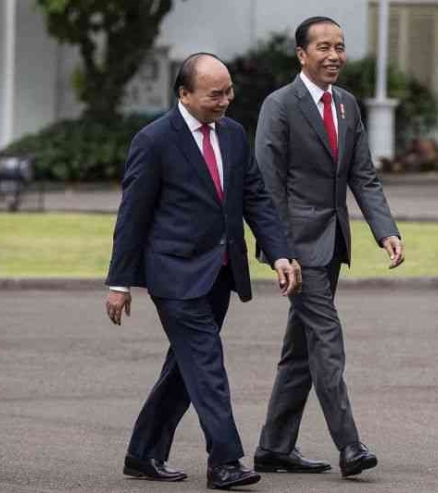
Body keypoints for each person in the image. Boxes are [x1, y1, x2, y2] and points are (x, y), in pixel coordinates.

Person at [104, 53, 300, 490]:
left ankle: (144, 453)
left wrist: (280, 253)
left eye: (229, 91)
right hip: (174, 276)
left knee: (185, 366)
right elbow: (132, 216)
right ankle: (225, 461)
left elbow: (255, 198)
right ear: (184, 94)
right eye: (215, 93)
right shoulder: (154, 140)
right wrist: (120, 282)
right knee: (207, 365)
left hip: (221, 272)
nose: (226, 100)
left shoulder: (232, 134)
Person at [253, 16, 404, 478]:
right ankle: (350, 445)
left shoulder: (347, 105)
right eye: (323, 47)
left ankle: (274, 448)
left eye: (339, 46)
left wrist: (385, 229)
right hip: (298, 248)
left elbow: (362, 173)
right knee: (326, 339)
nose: (334, 55)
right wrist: (279, 249)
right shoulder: (279, 105)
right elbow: (267, 183)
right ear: (302, 54)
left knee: (300, 350)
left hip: (333, 241)